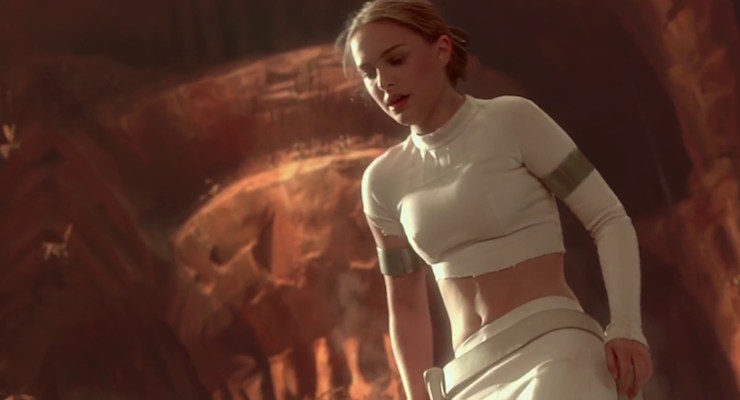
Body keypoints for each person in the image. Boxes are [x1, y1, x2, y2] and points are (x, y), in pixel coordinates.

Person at [334, 1, 653, 399]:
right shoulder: (381, 182)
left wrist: (626, 327)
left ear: (441, 50)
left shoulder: (513, 121)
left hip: (555, 353)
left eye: (396, 60)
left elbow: (607, 218)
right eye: (369, 73)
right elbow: (406, 305)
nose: (383, 82)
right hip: (467, 377)